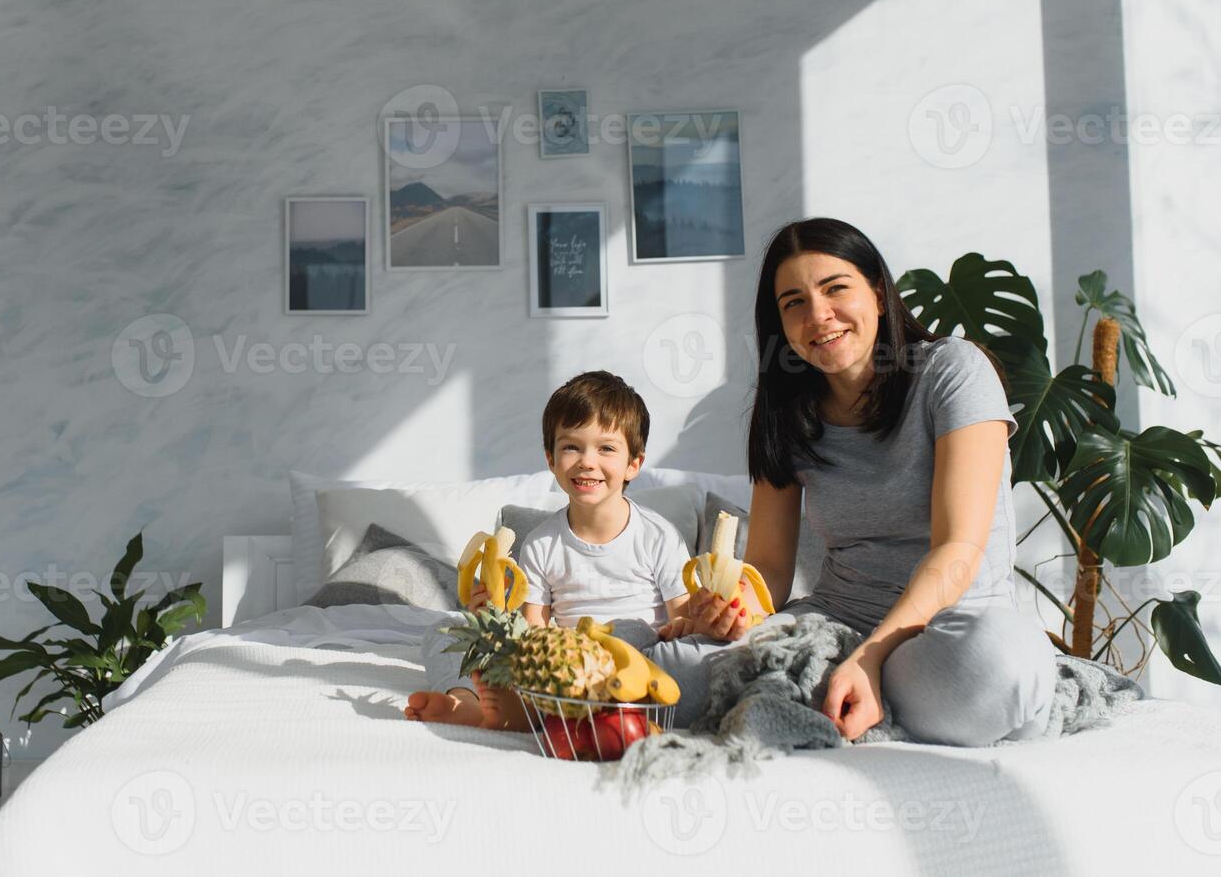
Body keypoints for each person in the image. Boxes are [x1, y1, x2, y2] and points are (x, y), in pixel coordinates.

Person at [667, 216, 1056, 745]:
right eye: (794, 303)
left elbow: (958, 549)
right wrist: (733, 611)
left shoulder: (953, 372)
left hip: (943, 629)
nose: (818, 315)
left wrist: (873, 657)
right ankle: (851, 694)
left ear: (877, 292)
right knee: (668, 666)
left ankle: (858, 691)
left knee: (996, 664)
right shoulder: (788, 411)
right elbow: (770, 570)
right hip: (833, 626)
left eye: (835, 289)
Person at [402, 370, 703, 730]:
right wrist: (497, 619)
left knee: (660, 643)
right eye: (571, 447)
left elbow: (684, 622)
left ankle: (555, 712)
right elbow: (533, 632)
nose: (587, 461)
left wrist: (681, 629)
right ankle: (466, 701)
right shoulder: (542, 543)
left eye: (606, 448)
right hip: (562, 669)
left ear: (633, 464)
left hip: (637, 664)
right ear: (551, 459)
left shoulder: (658, 536)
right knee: (446, 628)